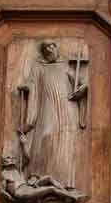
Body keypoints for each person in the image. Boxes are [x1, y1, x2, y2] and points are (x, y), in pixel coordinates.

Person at [16, 40, 87, 191]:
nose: (49, 49)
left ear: (56, 48)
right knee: (45, 135)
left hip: (66, 108)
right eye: (46, 47)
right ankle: (37, 173)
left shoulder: (64, 66)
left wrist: (82, 88)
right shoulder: (38, 66)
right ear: (43, 51)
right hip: (47, 106)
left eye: (52, 46)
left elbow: (81, 82)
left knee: (64, 140)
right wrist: (27, 87)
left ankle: (63, 179)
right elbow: (32, 83)